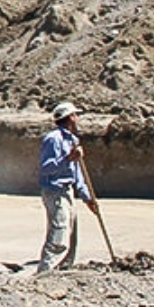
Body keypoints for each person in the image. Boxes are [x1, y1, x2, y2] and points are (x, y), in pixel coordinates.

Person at [35, 101, 98, 273]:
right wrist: (68, 158)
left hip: (67, 190)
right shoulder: (53, 139)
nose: (78, 118)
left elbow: (76, 172)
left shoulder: (72, 140)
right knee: (59, 231)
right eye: (76, 115)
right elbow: (46, 168)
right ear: (70, 117)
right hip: (55, 190)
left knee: (71, 233)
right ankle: (46, 271)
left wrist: (87, 198)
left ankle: (64, 269)